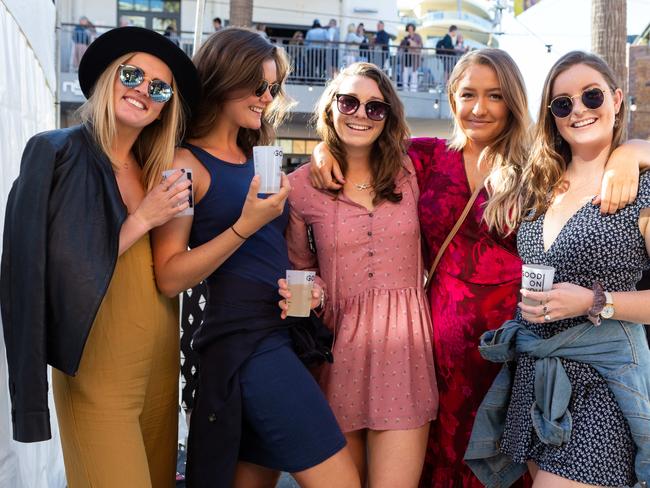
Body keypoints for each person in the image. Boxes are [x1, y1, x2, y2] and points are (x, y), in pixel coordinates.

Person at [308, 48, 650, 488]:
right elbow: (359, 145)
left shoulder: (536, 168)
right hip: (436, 350)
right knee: (443, 458)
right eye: (468, 94)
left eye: (494, 95)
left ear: (512, 101)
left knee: (511, 467)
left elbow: (596, 159)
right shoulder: (423, 159)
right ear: (452, 98)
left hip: (516, 346)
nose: (480, 107)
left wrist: (632, 152)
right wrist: (321, 150)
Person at [151, 28, 360, 488]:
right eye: (257, 86)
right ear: (224, 79)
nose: (267, 98)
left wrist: (307, 286)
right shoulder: (184, 165)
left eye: (273, 88)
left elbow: (273, 249)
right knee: (340, 479)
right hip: (242, 342)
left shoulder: (259, 155)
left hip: (281, 329)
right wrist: (244, 223)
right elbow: (168, 275)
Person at [1, 26, 200, 486]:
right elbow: (35, 272)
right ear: (111, 75)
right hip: (96, 373)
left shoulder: (160, 169)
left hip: (160, 370)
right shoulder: (55, 152)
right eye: (133, 74)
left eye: (159, 87)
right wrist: (141, 220)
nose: (142, 91)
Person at [466, 49, 650, 488]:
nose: (579, 111)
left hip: (601, 381)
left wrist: (595, 301)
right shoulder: (540, 184)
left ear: (617, 99)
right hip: (535, 379)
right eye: (563, 103)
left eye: (592, 96)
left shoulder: (639, 185)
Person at [279, 62, 439, 487]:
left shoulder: (415, 170)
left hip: (406, 352)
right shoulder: (298, 187)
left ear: (388, 117)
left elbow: (480, 146)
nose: (360, 114)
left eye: (375, 108)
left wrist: (635, 150)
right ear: (330, 106)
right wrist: (307, 294)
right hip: (337, 354)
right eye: (349, 102)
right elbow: (299, 272)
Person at [399, 23, 422, 91]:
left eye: (411, 28)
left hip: (414, 57)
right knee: (405, 72)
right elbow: (401, 46)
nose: (410, 30)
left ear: (413, 29)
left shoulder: (417, 37)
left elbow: (419, 46)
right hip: (406, 57)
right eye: (409, 29)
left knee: (414, 72)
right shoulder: (406, 37)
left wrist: (411, 42)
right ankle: (405, 87)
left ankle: (413, 88)